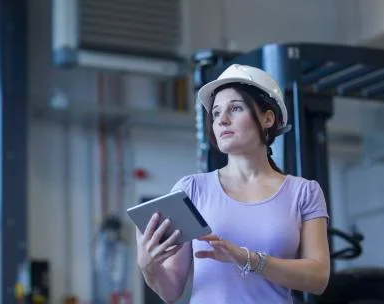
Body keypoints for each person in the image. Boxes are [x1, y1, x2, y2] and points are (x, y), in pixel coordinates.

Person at [135, 64, 330, 303]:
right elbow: (171, 291)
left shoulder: (304, 192)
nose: (222, 120)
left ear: (268, 118)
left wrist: (246, 258)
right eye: (216, 113)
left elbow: (318, 278)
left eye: (235, 108)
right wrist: (148, 266)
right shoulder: (191, 190)